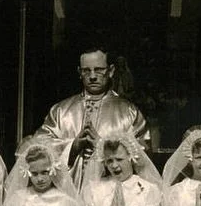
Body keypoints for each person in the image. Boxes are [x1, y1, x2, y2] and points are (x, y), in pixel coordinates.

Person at [37, 48, 149, 188]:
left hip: (112, 193)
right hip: (68, 193)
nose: (92, 76)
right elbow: (39, 148)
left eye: (99, 69)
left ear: (111, 71)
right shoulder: (61, 111)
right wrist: (73, 146)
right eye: (86, 71)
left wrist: (103, 147)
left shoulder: (128, 112)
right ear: (79, 72)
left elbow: (144, 155)